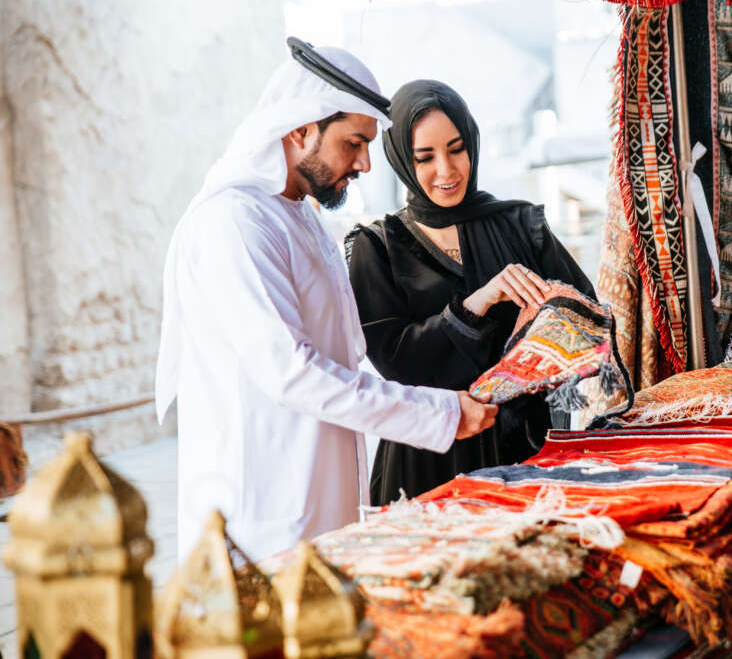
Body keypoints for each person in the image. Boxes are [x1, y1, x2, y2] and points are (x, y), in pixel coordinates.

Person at [155, 42, 497, 562]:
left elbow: (343, 357)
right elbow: (293, 373)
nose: (364, 161)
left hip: (319, 496)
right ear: (299, 130)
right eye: (353, 142)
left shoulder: (300, 216)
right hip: (259, 513)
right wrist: (440, 413)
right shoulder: (235, 223)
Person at [346, 80, 595, 506]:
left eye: (456, 148)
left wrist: (542, 319)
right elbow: (397, 363)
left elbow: (586, 323)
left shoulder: (519, 225)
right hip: (427, 461)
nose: (446, 170)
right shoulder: (379, 248)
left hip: (526, 453)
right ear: (403, 160)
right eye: (425, 157)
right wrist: (477, 303)